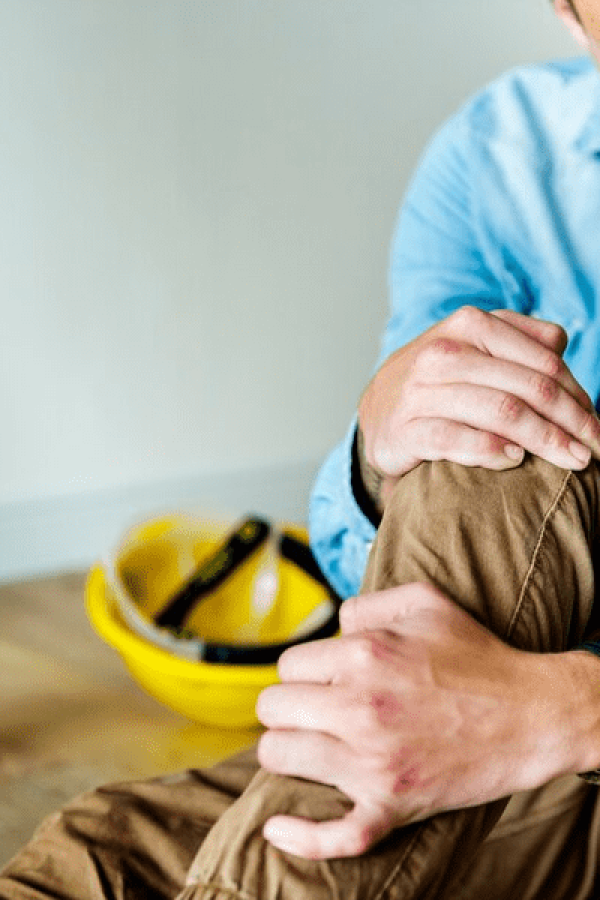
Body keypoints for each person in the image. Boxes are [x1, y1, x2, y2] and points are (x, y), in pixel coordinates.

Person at [3, 0, 600, 897]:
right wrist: (377, 449)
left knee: (515, 458)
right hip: (482, 713)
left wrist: (559, 717)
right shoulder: (495, 157)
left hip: (562, 730)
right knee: (97, 854)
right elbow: (393, 555)